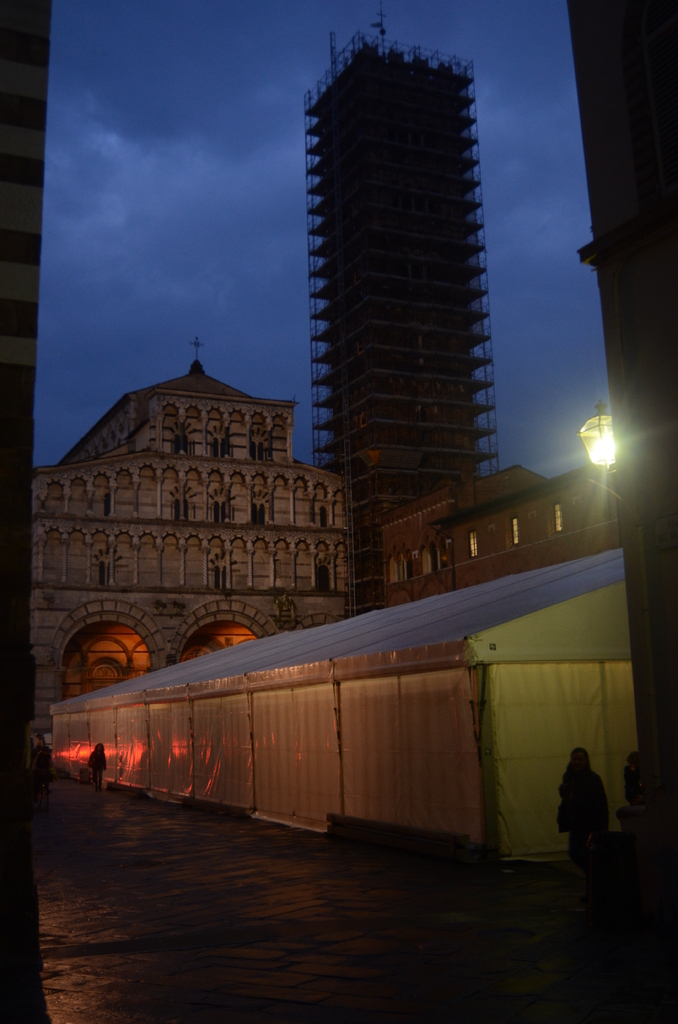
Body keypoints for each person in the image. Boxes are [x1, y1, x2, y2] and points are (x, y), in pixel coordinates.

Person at [558, 747, 608, 900]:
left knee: (587, 858)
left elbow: (601, 804)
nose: (577, 762)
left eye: (580, 759)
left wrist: (601, 828)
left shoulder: (593, 779)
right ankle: (593, 888)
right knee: (576, 854)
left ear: (586, 761)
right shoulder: (570, 778)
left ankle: (592, 891)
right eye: (575, 759)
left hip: (590, 825)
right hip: (576, 825)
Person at [31, 733, 52, 801]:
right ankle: (46, 789)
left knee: (37, 782)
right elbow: (50, 763)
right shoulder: (43, 755)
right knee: (45, 779)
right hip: (42, 769)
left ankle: (35, 795)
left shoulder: (39, 753)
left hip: (40, 769)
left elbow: (34, 762)